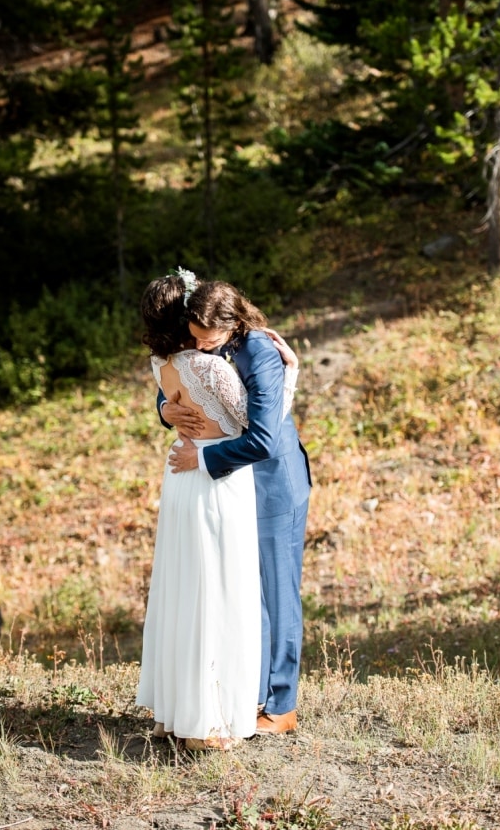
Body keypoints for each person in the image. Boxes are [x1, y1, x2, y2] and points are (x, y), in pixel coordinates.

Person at [136, 274, 298, 751]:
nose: (202, 342)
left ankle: (280, 704)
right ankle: (235, 696)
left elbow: (264, 436)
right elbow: (181, 388)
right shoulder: (197, 351)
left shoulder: (260, 352)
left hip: (269, 480)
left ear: (226, 321)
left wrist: (292, 373)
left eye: (208, 336)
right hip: (222, 479)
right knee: (229, 588)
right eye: (195, 333)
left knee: (274, 589)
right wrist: (167, 408)